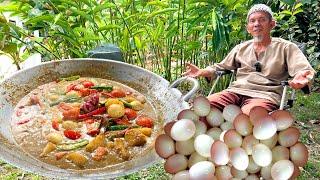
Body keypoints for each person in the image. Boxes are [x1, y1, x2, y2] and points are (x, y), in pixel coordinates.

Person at [182, 4, 316, 115]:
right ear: (248, 28)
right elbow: (220, 67)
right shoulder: (241, 48)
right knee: (202, 106)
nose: (256, 24)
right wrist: (202, 71)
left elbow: (303, 70)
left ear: (272, 24)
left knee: (246, 116)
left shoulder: (287, 47)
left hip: (265, 95)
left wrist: (301, 78)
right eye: (252, 21)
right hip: (235, 91)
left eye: (262, 20)